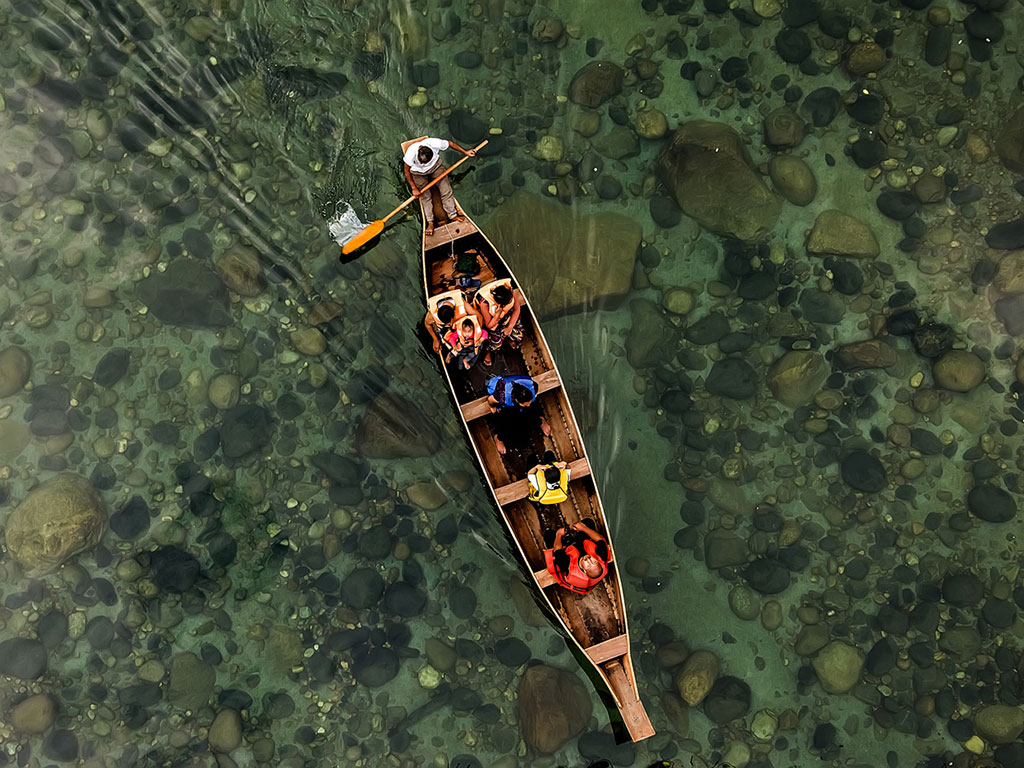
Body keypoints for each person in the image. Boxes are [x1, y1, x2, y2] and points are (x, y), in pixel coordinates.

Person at [402, 137, 477, 236]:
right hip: (418, 173)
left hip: (435, 167)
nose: (422, 165)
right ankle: (430, 222)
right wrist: (414, 188)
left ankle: (452, 215)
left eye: (425, 163)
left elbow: (451, 144)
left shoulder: (434, 143)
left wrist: (465, 152)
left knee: (446, 190)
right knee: (425, 196)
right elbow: (406, 171)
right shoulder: (411, 153)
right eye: (420, 162)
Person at [485, 374, 551, 455]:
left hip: (519, 402)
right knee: (505, 421)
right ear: (517, 401)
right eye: (526, 404)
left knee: (531, 408)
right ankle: (498, 439)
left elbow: (529, 404)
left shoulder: (533, 386)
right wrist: (492, 407)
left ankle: (541, 421)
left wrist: (528, 406)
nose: (528, 405)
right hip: (505, 404)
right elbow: (490, 400)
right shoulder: (502, 396)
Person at [543, 519, 609, 594]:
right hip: (580, 544)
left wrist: (559, 534)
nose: (589, 560)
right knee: (588, 522)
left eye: (588, 566)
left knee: (548, 535)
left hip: (567, 550)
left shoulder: (566, 564)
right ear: (598, 561)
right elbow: (599, 539)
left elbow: (557, 549)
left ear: (584, 571)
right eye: (594, 562)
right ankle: (577, 533)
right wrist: (583, 528)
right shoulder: (601, 555)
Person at [475, 279, 522, 366]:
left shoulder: (509, 289)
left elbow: (516, 309)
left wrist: (510, 327)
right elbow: (489, 325)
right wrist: (497, 314)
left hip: (507, 315)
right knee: (496, 342)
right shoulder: (484, 302)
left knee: (518, 334)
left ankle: (508, 338)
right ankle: (489, 350)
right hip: (494, 321)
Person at [424, 289, 475, 355]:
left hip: (463, 326)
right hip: (450, 332)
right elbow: (427, 324)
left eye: (450, 322)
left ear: (453, 316)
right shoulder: (432, 314)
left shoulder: (463, 304)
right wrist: (435, 339)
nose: (450, 324)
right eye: (447, 323)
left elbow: (479, 317)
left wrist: (475, 336)